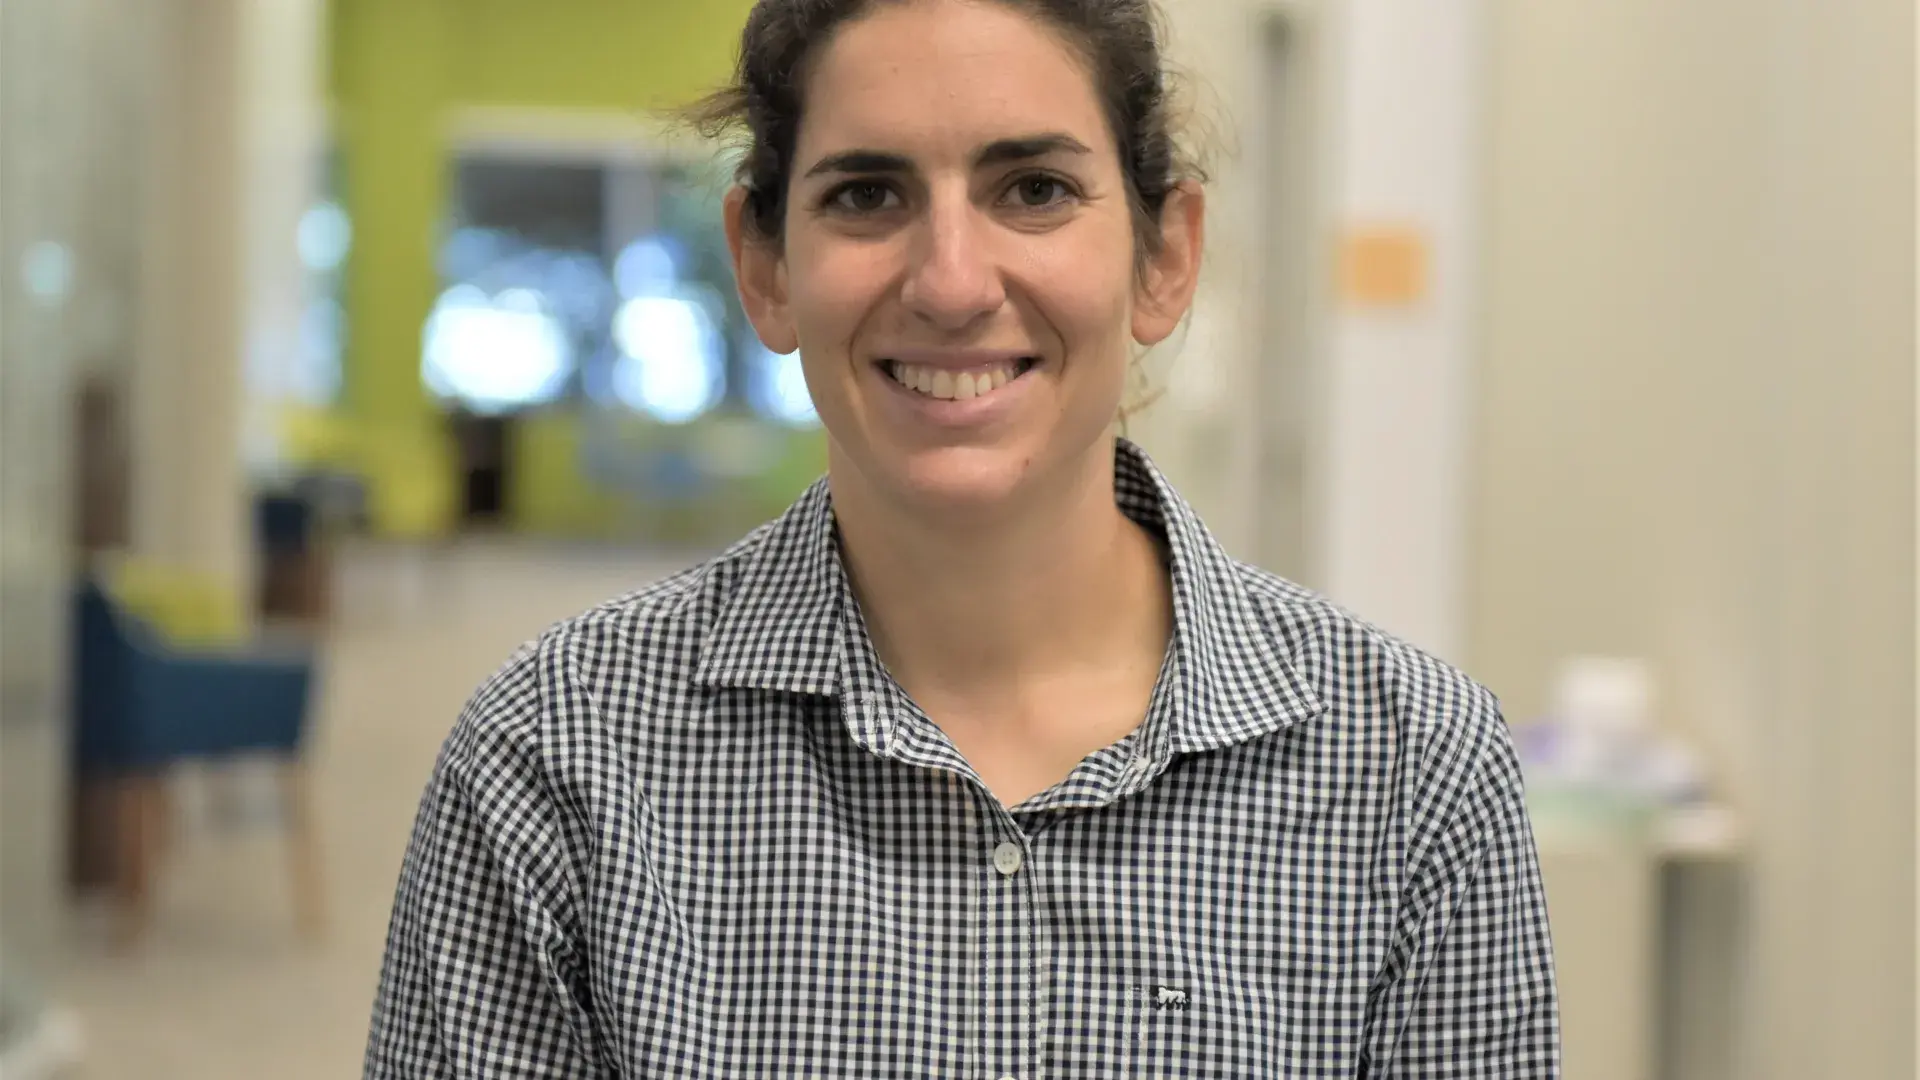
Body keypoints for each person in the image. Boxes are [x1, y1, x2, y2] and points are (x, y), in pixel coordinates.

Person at [364, 0, 1561, 1075]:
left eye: (1033, 189)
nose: (950, 282)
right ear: (765, 267)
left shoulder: (1414, 774)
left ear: (1166, 256)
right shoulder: (557, 761)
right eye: (866, 195)